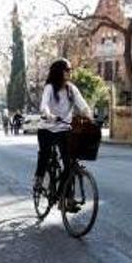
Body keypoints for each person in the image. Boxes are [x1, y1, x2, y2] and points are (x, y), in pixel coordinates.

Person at [34, 59, 92, 206]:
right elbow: (44, 106)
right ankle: (39, 179)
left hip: (63, 129)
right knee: (45, 155)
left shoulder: (71, 89)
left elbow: (83, 105)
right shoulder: (49, 88)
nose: (69, 72)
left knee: (69, 164)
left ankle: (63, 197)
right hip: (46, 128)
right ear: (59, 72)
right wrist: (49, 115)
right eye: (67, 70)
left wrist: (90, 116)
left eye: (70, 69)